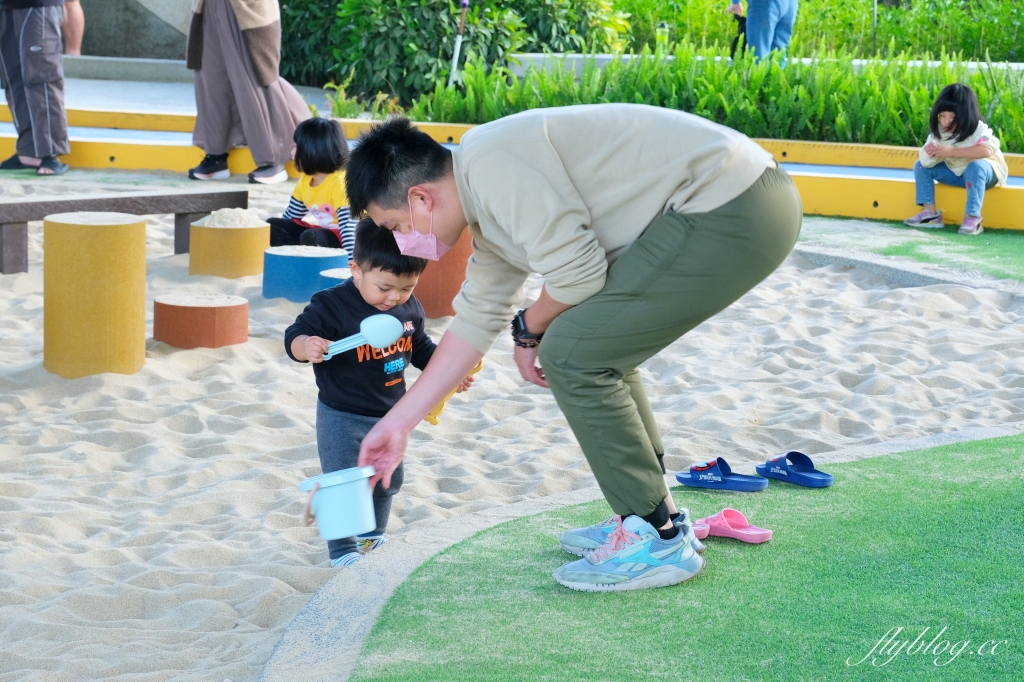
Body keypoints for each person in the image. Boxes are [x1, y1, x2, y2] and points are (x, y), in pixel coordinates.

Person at [344, 105, 802, 592]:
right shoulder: (484, 204)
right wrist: (397, 425)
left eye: (395, 225)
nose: (401, 241)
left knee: (574, 352)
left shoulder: (492, 161)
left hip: (732, 205)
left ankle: (656, 537)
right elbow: (475, 322)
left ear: (420, 198)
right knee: (591, 341)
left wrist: (530, 326)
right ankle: (653, 510)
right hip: (730, 201)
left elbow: (578, 274)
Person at [288, 219, 475, 567]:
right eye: (385, 287)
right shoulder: (332, 305)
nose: (395, 297)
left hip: (391, 414)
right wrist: (307, 345)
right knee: (344, 482)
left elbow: (419, 347)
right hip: (341, 413)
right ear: (356, 270)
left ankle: (372, 536)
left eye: (406, 288)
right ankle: (342, 552)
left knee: (388, 479)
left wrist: (448, 370)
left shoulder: (408, 308)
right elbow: (295, 335)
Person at [186, 0, 309, 184]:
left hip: (248, 8)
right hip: (209, 5)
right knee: (212, 80)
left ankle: (272, 159)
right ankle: (216, 156)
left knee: (254, 77)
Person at [903, 84, 1009, 236]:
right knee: (920, 166)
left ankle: (973, 217)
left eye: (952, 117)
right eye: (942, 115)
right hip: (958, 174)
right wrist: (931, 153)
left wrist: (951, 151)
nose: (946, 121)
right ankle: (930, 214)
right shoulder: (939, 132)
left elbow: (986, 150)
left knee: (976, 167)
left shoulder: (978, 129)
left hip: (986, 175)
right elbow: (926, 163)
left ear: (966, 114)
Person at [0, 0, 70, 176]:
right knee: (13, 77)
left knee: (42, 77)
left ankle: (50, 152)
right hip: (7, 6)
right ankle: (29, 150)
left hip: (38, 6)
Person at [268, 118, 356, 252]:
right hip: (323, 233)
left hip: (349, 239)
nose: (292, 152)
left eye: (296, 147)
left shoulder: (339, 183)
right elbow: (291, 218)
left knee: (311, 237)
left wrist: (352, 263)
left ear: (313, 151)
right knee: (272, 225)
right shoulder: (306, 180)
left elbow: (349, 229)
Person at [727, 0, 797, 61]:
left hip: (764, 4)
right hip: (790, 4)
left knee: (758, 58)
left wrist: (735, 2)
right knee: (777, 57)